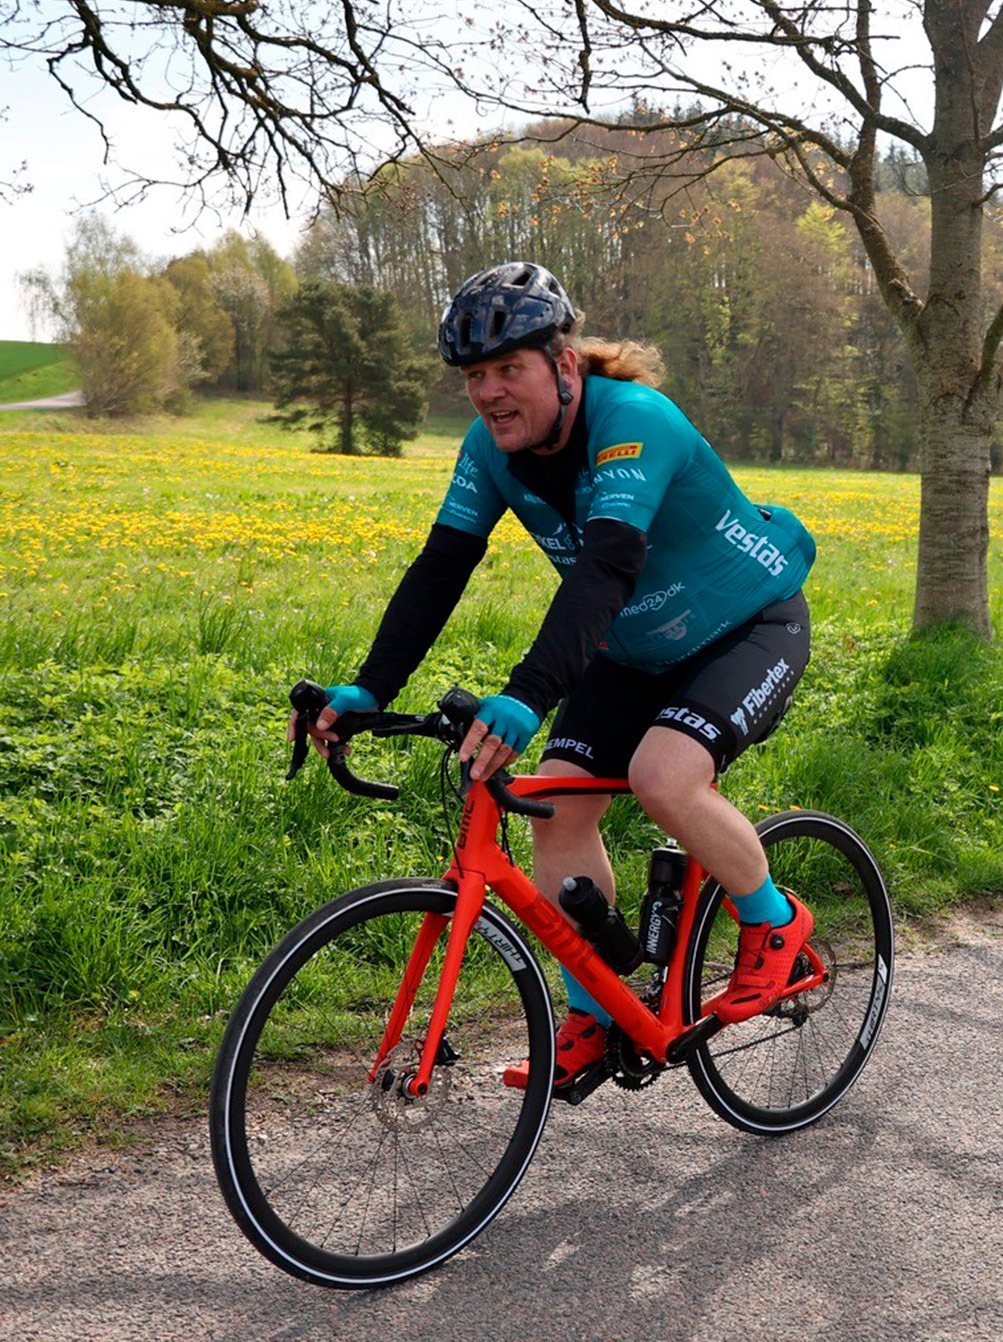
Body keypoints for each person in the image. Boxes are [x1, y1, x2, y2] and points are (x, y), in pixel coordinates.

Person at [305, 261, 818, 1092]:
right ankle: (597, 1011)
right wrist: (370, 688)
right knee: (556, 808)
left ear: (564, 363)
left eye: (510, 368)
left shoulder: (635, 422)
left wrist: (527, 693)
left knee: (662, 776)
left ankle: (774, 919)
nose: (490, 393)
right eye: (476, 376)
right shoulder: (489, 450)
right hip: (633, 651)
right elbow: (443, 565)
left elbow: (608, 567)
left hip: (747, 626)